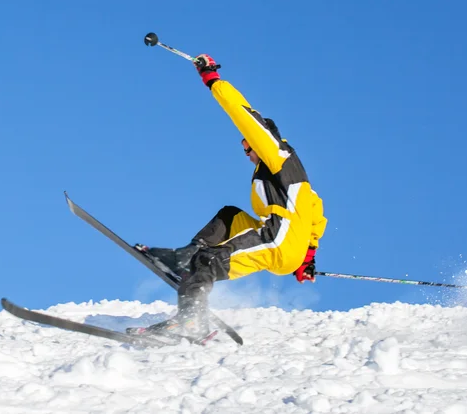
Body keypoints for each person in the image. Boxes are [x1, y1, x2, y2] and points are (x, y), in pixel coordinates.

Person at [134, 53, 328, 341]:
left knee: (208, 262)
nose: (246, 153)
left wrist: (212, 79)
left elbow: (243, 113)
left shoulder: (276, 152)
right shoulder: (292, 174)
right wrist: (306, 257)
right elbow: (315, 214)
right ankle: (185, 257)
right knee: (230, 216)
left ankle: (190, 321)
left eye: (247, 147)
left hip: (278, 238)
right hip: (288, 243)